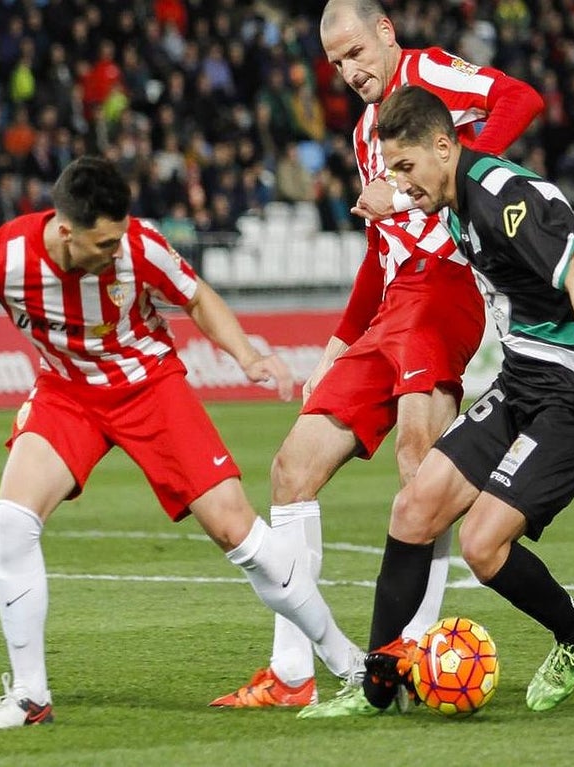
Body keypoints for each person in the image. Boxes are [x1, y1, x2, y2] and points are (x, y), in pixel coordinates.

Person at [0, 156, 363, 730]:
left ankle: (348, 664)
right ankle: (29, 696)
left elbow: (196, 297)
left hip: (149, 387)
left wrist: (247, 355)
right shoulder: (5, 255)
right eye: (103, 243)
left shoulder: (140, 245)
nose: (115, 251)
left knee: (234, 529)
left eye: (119, 238)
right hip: (67, 394)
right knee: (13, 518)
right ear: (65, 231)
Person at [211, 0, 542, 710]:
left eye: (357, 52)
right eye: (336, 64)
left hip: (444, 293)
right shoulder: (367, 131)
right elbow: (378, 255)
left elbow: (520, 98)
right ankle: (293, 671)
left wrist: (460, 177)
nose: (350, 71)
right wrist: (336, 346)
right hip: (390, 308)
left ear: (385, 32)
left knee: (418, 467)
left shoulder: (428, 75)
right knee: (291, 467)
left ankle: (411, 655)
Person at [339, 84, 574, 716]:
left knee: (481, 544)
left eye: (408, 168)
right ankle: (378, 684)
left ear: (446, 148)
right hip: (522, 380)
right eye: (393, 170)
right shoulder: (444, 189)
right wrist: (393, 195)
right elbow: (414, 194)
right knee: (414, 508)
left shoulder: (505, 200)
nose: (402, 182)